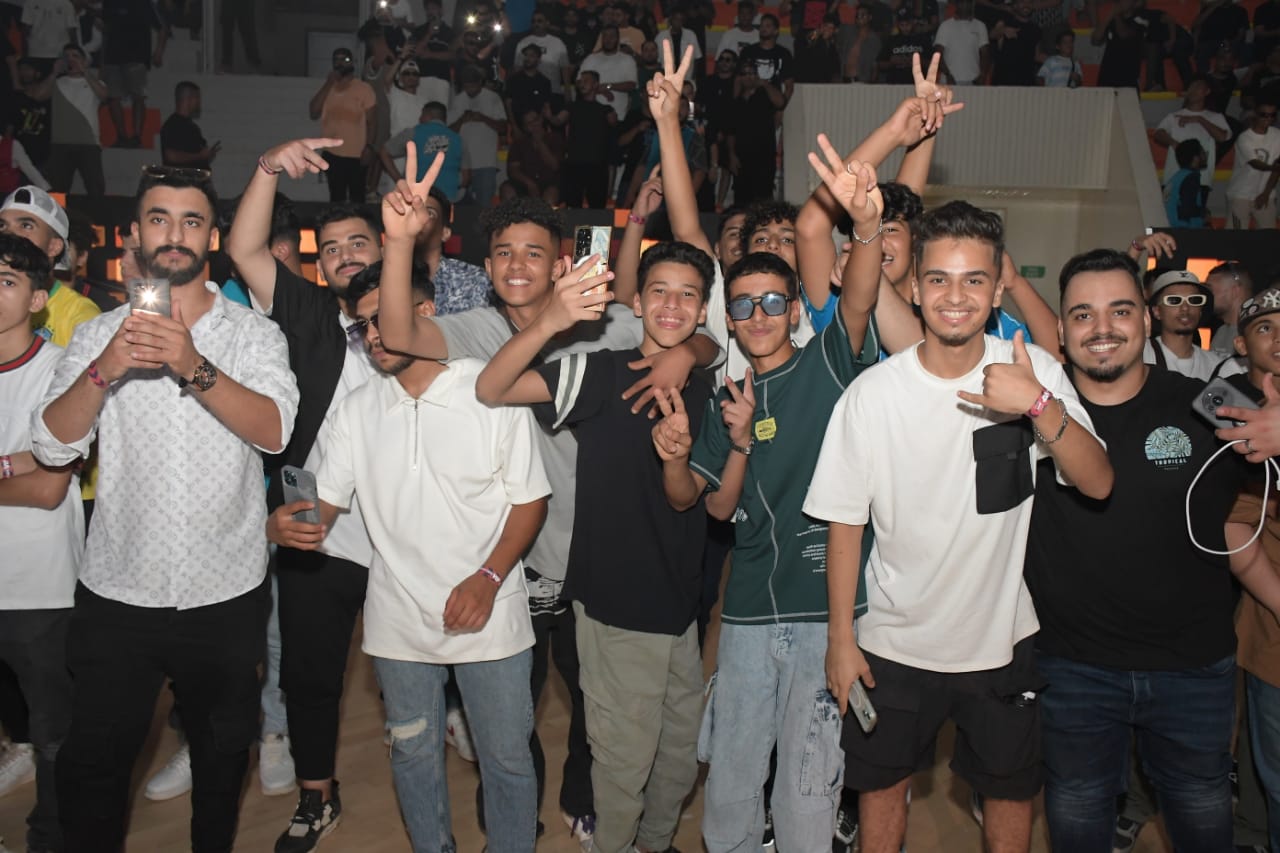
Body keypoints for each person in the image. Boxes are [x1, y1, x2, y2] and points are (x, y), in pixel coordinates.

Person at [377, 153, 722, 852]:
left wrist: (690, 352)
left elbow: (684, 326)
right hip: (514, 554)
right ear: (487, 263)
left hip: (587, 552)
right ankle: (512, 823)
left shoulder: (604, 326)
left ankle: (585, 803)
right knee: (513, 706)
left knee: (598, 700)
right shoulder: (475, 329)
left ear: (559, 261)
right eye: (504, 252)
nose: (518, 264)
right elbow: (400, 335)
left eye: (534, 252)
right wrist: (398, 242)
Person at [810, 203, 1112, 853]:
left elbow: (1098, 482)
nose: (955, 296)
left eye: (974, 279)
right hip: (892, 642)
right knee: (882, 793)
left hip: (1001, 641)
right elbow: (845, 524)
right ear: (915, 289)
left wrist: (1037, 405)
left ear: (998, 288)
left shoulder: (1033, 370)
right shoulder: (874, 394)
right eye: (939, 279)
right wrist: (840, 638)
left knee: (1010, 794)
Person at [31, 165, 298, 853]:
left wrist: (192, 364)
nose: (174, 234)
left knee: (221, 758)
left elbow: (275, 431)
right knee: (94, 766)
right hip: (119, 590)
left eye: (191, 221)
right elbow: (52, 445)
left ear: (211, 238)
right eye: (159, 218)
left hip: (225, 590)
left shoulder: (253, 335)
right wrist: (106, 370)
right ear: (134, 234)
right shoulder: (98, 336)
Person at [270, 260, 549, 853]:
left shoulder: (489, 389)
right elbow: (324, 504)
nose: (374, 336)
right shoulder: (358, 408)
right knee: (413, 755)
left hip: (490, 612)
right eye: (363, 326)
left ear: (424, 313)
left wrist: (487, 578)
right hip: (397, 620)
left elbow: (530, 501)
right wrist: (288, 523)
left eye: (383, 320)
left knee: (506, 759)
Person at [1023, 248, 1278, 852]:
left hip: (1192, 667)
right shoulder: (1032, 411)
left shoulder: (1207, 399)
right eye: (1082, 314)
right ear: (1060, 330)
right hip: (1072, 667)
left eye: (1119, 310)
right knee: (1077, 818)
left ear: (1144, 318)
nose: (1102, 328)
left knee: (1201, 818)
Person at [476, 240, 715, 853]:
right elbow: (493, 387)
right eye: (658, 291)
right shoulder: (602, 372)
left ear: (703, 310)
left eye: (688, 295)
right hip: (614, 605)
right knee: (623, 765)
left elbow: (687, 499)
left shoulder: (704, 382)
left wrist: (689, 356)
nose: (672, 305)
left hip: (679, 606)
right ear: (635, 301)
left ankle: (654, 844)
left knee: (678, 757)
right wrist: (551, 320)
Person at [0, 233, 81, 853]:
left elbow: (49, 488)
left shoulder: (60, 371)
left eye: (7, 282)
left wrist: (29, 468)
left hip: (38, 588)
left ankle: (50, 840)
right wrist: (14, 464)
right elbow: (27, 474)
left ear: (36, 298)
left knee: (54, 735)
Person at [1224, 287, 1280, 853]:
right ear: (1242, 345)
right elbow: (1235, 524)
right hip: (1272, 636)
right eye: (1266, 328)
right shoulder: (1233, 413)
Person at [0, 185, 100, 348]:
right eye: (2, 226)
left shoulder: (80, 317)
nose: (10, 234)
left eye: (26, 226)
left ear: (54, 247)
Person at [309, 48, 377, 203]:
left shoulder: (364, 89)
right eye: (336, 60)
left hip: (357, 154)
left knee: (357, 197)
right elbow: (313, 112)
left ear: (352, 62)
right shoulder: (328, 88)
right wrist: (328, 83)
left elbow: (373, 122)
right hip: (332, 153)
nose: (340, 63)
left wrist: (369, 147)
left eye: (344, 59)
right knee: (336, 197)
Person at [99, 0, 166, 149]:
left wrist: (159, 51)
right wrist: (102, 62)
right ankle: (121, 136)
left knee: (138, 96)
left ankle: (136, 136)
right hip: (112, 56)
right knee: (113, 97)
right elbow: (106, 29)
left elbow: (161, 27)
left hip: (137, 56)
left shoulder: (144, 2)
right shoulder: (110, 2)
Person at [44, 43, 107, 198]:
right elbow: (39, 95)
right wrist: (53, 73)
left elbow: (104, 95)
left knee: (95, 189)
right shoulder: (57, 82)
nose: (70, 60)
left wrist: (85, 71)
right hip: (60, 144)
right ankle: (59, 215)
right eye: (66, 57)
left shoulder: (95, 82)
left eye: (75, 56)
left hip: (89, 144)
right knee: (58, 191)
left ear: (85, 60)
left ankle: (97, 214)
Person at [1142, 269, 1225, 380]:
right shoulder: (1140, 355)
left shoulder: (1217, 366)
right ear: (1157, 311)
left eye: (1194, 300)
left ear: (1200, 311)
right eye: (1174, 300)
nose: (1185, 308)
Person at [383, 102, 468, 203]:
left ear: (428, 115)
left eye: (422, 115)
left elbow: (384, 151)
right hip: (448, 200)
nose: (419, 119)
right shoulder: (458, 140)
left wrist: (400, 181)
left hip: (416, 198)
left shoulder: (413, 133)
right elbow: (466, 178)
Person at [1153, 78, 1231, 189]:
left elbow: (1222, 137)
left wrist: (1200, 119)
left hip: (1202, 179)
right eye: (1191, 87)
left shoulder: (1216, 117)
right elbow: (1158, 133)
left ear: (1207, 91)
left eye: (1197, 87)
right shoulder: (1173, 116)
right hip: (1174, 176)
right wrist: (1177, 145)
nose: (1193, 90)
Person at [447, 65, 506, 205]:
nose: (470, 90)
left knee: (484, 206)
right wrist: (462, 119)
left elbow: (503, 127)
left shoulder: (493, 98)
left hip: (486, 162)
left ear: (480, 82)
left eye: (473, 86)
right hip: (462, 163)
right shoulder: (457, 100)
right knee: (461, 206)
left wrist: (483, 118)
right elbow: (448, 132)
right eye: (467, 86)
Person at [561, 70, 617, 208]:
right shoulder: (572, 107)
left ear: (595, 84)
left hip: (597, 164)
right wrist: (548, 115)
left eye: (586, 80)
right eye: (581, 81)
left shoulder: (605, 109)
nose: (582, 83)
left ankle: (594, 226)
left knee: (597, 207)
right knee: (573, 206)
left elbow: (615, 126)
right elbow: (558, 120)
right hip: (575, 163)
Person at [1226, 99, 1280, 229]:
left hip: (1267, 194)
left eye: (1272, 115)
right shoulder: (1244, 138)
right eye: (1264, 115)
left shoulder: (1277, 135)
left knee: (1268, 236)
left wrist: (1266, 193)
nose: (1268, 118)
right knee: (1237, 236)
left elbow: (1277, 168)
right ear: (1255, 114)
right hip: (1241, 194)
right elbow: (1255, 164)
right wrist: (1273, 167)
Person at [507, 109, 564, 203]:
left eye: (535, 120)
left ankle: (546, 212)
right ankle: (513, 212)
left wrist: (540, 142)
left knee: (551, 194)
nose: (534, 124)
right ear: (525, 128)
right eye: (529, 123)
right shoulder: (519, 143)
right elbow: (513, 170)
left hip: (549, 182)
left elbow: (555, 166)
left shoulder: (555, 138)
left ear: (541, 120)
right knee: (507, 190)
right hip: (525, 182)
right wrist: (529, 183)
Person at [160, 81, 220, 171]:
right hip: (181, 179)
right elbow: (171, 156)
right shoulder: (173, 124)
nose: (199, 102)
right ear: (189, 98)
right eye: (197, 97)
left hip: (194, 178)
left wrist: (206, 155)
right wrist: (199, 156)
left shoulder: (192, 127)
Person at [933, 0, 989, 84]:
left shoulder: (980, 26)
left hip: (973, 81)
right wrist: (948, 74)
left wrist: (982, 75)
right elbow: (938, 54)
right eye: (962, 2)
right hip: (949, 81)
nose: (965, 5)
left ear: (972, 4)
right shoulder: (945, 26)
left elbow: (985, 54)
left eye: (968, 2)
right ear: (956, 4)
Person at [1207, 261, 1254, 352]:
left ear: (1234, 291)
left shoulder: (1253, 335)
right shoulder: (1221, 332)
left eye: (1211, 290)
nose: (1207, 296)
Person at [1163, 138, 1208, 227]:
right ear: (1195, 158)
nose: (1206, 156)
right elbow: (1187, 209)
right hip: (1183, 229)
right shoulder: (1191, 177)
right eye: (1203, 153)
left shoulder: (1176, 178)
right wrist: (1204, 213)